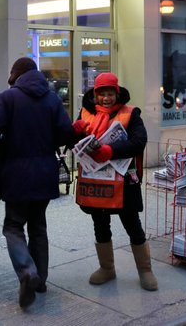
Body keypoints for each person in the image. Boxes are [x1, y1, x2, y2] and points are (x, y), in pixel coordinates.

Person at [0, 57, 75, 308]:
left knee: (13, 226)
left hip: (16, 174)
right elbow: (67, 133)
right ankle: (40, 281)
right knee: (38, 226)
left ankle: (26, 272)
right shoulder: (52, 99)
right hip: (45, 173)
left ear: (16, 75)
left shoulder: (8, 98)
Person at [71, 72, 158, 291]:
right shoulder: (85, 113)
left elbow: (139, 142)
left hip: (123, 182)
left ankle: (145, 270)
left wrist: (110, 150)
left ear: (117, 94)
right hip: (95, 181)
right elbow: (75, 142)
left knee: (132, 225)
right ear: (95, 94)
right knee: (100, 224)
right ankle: (107, 268)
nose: (106, 98)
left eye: (110, 94)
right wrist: (74, 132)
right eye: (102, 94)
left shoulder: (130, 114)